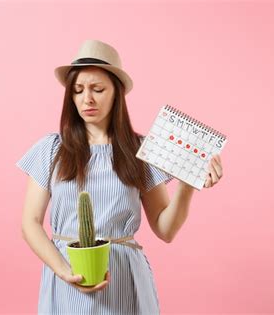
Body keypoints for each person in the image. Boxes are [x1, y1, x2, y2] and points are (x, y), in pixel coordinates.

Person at [16, 39, 224, 314]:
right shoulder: (51, 149)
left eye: (98, 89)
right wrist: (65, 272)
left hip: (125, 278)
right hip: (67, 278)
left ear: (117, 93)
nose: (87, 99)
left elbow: (165, 229)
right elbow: (30, 223)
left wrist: (187, 183)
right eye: (78, 91)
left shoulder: (141, 150)